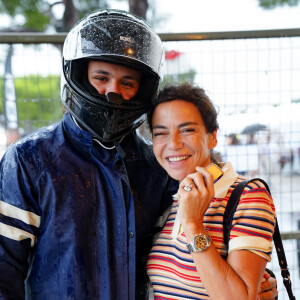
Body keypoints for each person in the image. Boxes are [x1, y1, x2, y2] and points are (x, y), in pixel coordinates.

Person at [0, 9, 277, 300]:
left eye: (127, 83)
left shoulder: (156, 167)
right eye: (101, 77)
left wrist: (254, 279)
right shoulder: (29, 161)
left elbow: (189, 251)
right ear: (80, 76)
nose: (112, 92)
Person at [146, 82, 278, 299]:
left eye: (187, 130)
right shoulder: (170, 195)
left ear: (213, 136)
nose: (173, 144)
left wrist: (193, 224)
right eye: (161, 133)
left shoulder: (248, 195)